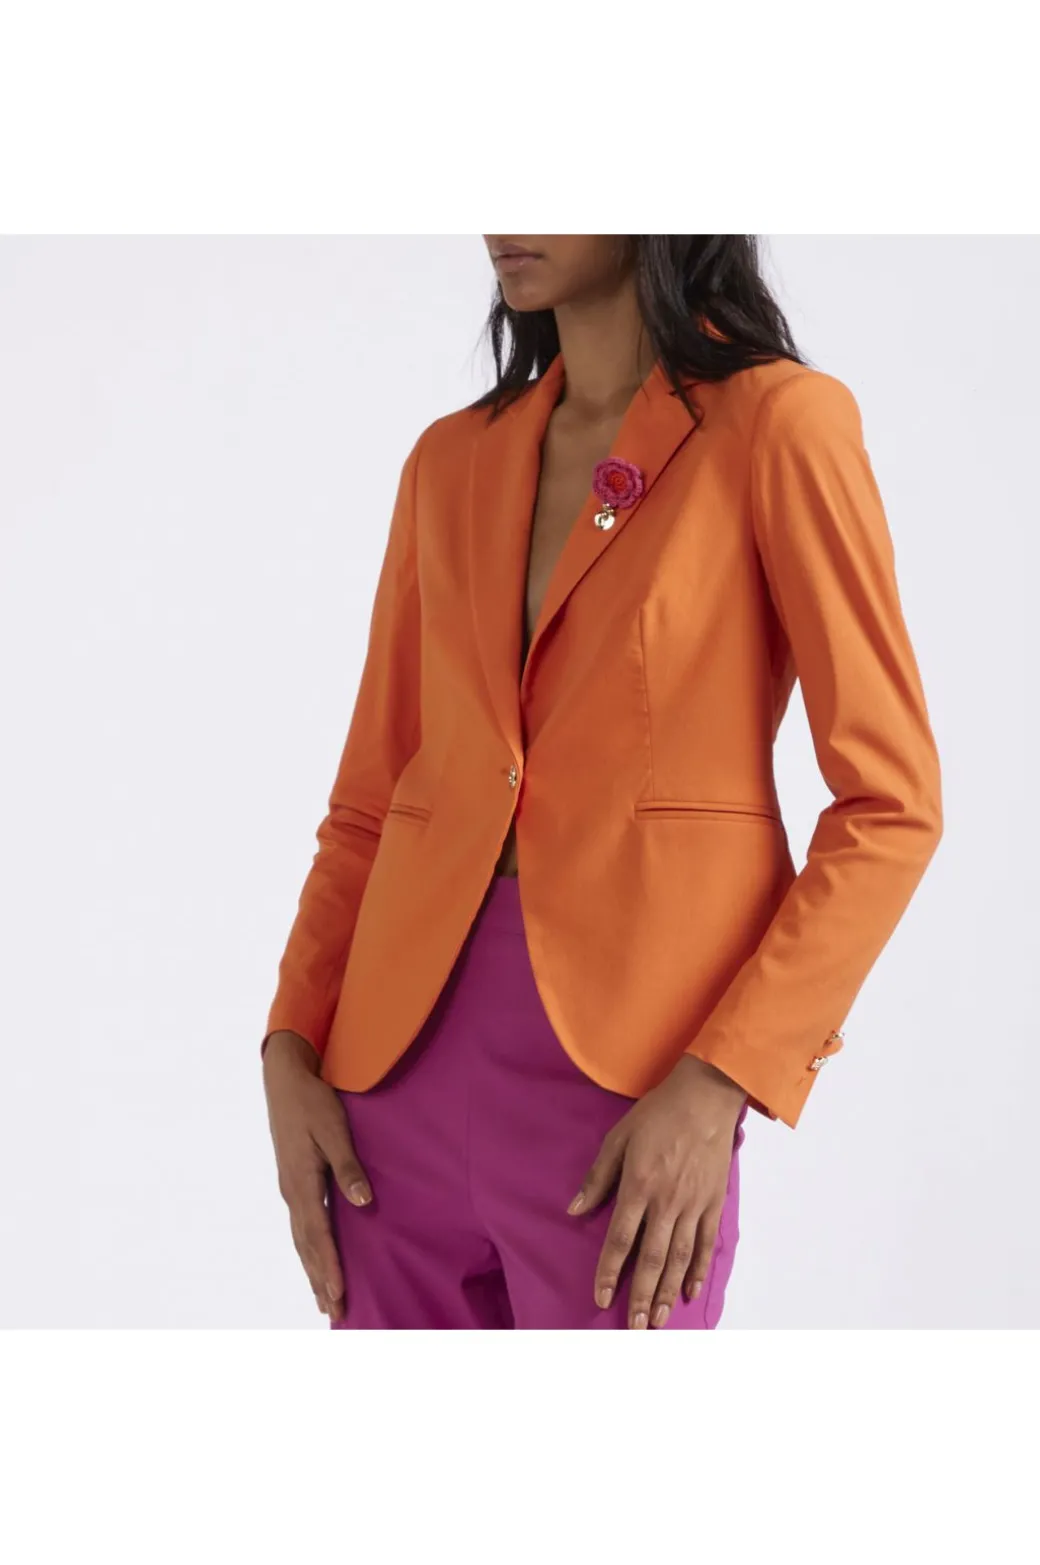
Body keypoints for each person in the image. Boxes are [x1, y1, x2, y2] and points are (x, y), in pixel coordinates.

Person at [260, 235, 943, 1330]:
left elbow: (890, 804)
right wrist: (289, 1043)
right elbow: (371, 801)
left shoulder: (777, 424)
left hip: (629, 1094)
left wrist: (723, 1078)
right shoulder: (448, 460)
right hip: (385, 1089)